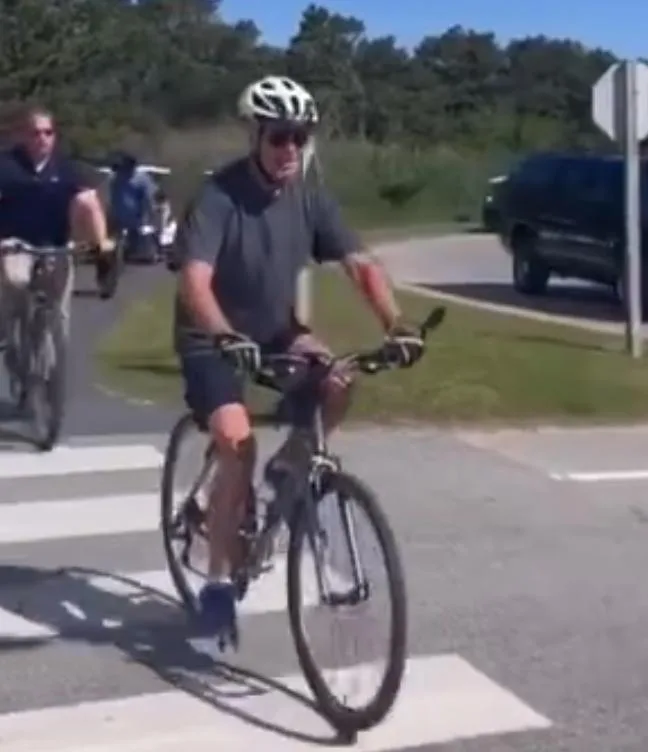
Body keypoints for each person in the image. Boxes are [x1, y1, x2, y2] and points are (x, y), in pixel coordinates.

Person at [173, 75, 424, 640]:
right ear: (256, 136)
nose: (291, 149)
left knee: (339, 378)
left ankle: (289, 466)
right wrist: (220, 333)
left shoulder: (310, 197)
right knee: (238, 444)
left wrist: (397, 324)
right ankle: (216, 585)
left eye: (300, 137)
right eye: (280, 137)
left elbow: (359, 264)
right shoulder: (219, 197)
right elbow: (195, 281)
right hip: (210, 338)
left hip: (276, 331)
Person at [0, 105, 116, 341]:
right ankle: (10, 328)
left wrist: (100, 242)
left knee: (59, 312)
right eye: (35, 133)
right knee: (16, 280)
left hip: (57, 245)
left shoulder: (66, 167)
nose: (42, 138)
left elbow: (90, 202)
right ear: (24, 136)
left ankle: (54, 369)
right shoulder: (7, 165)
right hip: (16, 243)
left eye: (48, 132)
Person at [108, 152, 159, 261]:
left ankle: (144, 252)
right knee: (117, 239)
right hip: (118, 214)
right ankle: (121, 255)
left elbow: (149, 197)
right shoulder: (116, 178)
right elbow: (112, 194)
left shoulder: (142, 179)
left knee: (137, 236)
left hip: (136, 216)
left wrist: (150, 212)